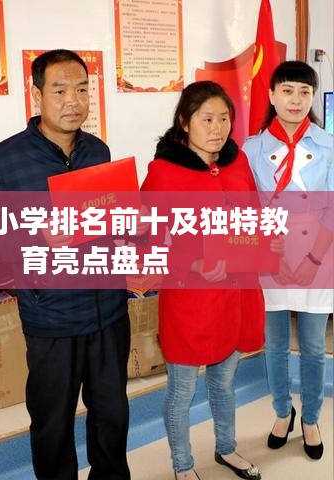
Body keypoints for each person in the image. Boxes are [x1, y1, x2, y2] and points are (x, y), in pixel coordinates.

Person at [0, 49, 134, 480]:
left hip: (109, 310)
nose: (73, 101)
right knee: (53, 424)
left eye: (81, 89)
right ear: (36, 93)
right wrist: (36, 237)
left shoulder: (98, 151)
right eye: (59, 91)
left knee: (112, 416)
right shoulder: (4, 161)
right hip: (51, 316)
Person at [141, 81, 268, 480]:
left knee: (224, 383)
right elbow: (145, 240)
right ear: (184, 121)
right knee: (182, 391)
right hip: (190, 298)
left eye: (224, 119)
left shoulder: (237, 161)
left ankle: (226, 448)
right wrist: (193, 263)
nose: (217, 129)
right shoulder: (164, 171)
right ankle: (183, 466)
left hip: (235, 294)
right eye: (207, 119)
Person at [243, 60, 333, 460]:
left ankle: (311, 417)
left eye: (304, 92)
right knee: (275, 343)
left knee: (313, 345)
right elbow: (247, 208)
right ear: (271, 95)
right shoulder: (251, 149)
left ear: (312, 97)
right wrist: (269, 255)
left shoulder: (329, 145)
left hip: (320, 253)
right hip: (270, 253)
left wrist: (313, 258)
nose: (296, 100)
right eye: (287, 90)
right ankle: (283, 412)